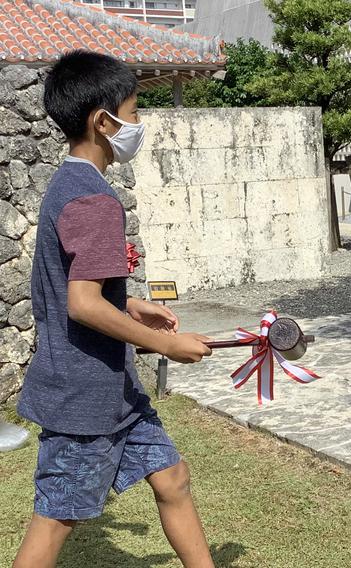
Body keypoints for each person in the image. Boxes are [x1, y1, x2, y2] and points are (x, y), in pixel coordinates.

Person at [13, 51, 215, 568]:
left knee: (173, 478)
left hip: (116, 392)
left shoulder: (67, 184)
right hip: (84, 398)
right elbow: (81, 305)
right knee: (57, 518)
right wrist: (168, 344)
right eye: (135, 110)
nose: (138, 124)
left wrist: (135, 304)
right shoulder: (96, 201)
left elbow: (72, 286)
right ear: (104, 122)